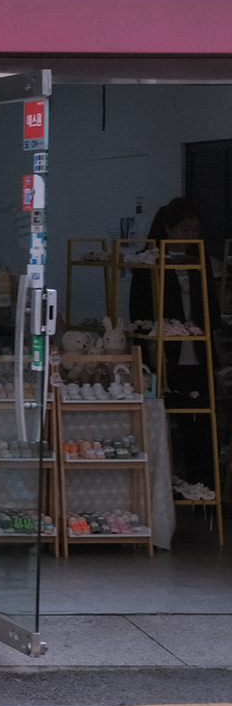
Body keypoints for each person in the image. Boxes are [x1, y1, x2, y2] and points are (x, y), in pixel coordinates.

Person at [130, 198, 216, 493]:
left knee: (199, 423)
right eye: (185, 229)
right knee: (160, 422)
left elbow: (210, 307)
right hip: (164, 355)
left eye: (195, 230)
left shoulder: (199, 259)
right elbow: (140, 312)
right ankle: (161, 489)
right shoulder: (148, 261)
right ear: (168, 228)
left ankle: (203, 486)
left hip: (198, 354)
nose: (191, 236)